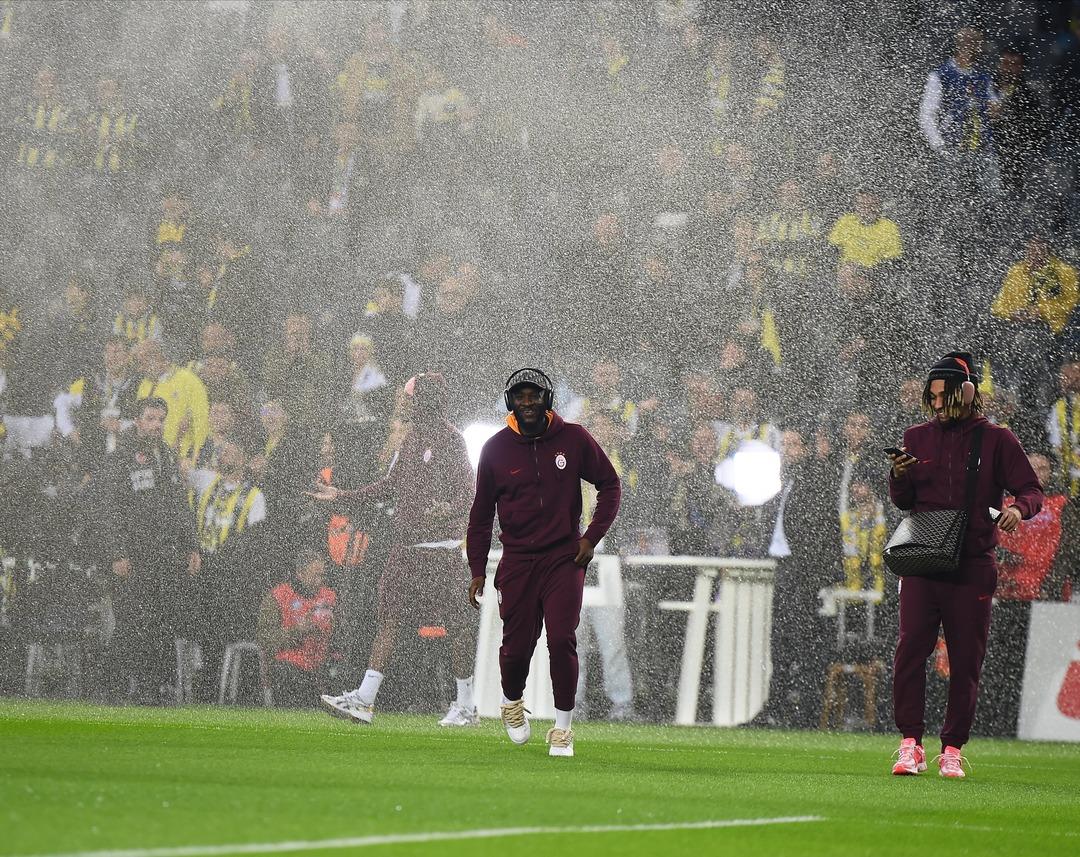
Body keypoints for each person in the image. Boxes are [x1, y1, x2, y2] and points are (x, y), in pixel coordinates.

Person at [887, 351, 1044, 778]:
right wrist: (898, 475)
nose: (936, 405)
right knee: (909, 652)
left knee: (965, 661)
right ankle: (910, 744)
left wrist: (1019, 509)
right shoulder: (915, 438)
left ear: (967, 393)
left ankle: (952, 747)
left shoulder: (997, 439)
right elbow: (904, 502)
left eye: (943, 396)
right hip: (923, 560)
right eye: (931, 397)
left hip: (973, 563)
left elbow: (1031, 490)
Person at [466, 368, 621, 757]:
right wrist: (476, 569)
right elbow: (481, 514)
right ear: (510, 402)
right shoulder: (495, 449)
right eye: (520, 396)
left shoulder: (574, 438)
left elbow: (610, 484)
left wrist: (592, 536)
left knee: (563, 638)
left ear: (548, 398)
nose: (528, 403)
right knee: (516, 648)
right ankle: (512, 701)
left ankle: (563, 729)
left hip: (562, 557)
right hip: (517, 559)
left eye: (535, 395)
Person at [315, 373, 480, 727]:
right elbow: (390, 486)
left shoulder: (452, 440)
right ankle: (364, 699)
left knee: (457, 625)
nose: (403, 402)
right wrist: (341, 496)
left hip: (441, 551)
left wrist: (450, 509)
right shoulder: (412, 438)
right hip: (405, 549)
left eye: (409, 397)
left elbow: (469, 491)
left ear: (425, 400)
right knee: (389, 619)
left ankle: (465, 705)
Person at [97, 397, 200, 702]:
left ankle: (151, 688)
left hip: (163, 556)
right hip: (132, 556)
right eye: (151, 419)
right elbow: (108, 509)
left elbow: (179, 506)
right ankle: (113, 685)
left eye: (160, 419)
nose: (156, 425)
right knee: (130, 622)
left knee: (159, 622)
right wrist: (117, 553)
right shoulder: (120, 458)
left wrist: (191, 545)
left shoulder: (167, 456)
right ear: (138, 421)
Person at [256, 550, 337, 708]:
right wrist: (298, 631)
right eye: (315, 575)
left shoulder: (330, 597)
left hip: (322, 664)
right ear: (300, 573)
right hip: (289, 665)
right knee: (287, 673)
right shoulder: (278, 597)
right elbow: (264, 638)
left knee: (343, 671)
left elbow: (341, 633)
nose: (319, 581)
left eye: (322, 575)